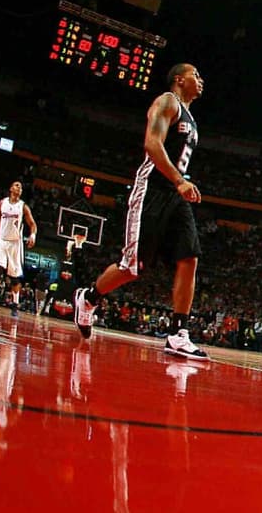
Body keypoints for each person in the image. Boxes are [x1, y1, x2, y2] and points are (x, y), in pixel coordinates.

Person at [72, 64, 208, 360]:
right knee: (132, 267)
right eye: (195, 75)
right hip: (152, 190)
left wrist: (180, 185)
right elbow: (151, 143)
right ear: (179, 79)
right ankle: (88, 298)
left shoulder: (191, 117)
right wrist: (179, 180)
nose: (201, 80)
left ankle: (178, 333)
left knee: (189, 258)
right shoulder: (168, 101)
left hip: (175, 194)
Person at [0, 180, 37, 315]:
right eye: (17, 185)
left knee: (14, 278)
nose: (19, 188)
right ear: (11, 188)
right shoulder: (2, 203)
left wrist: (32, 236)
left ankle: (15, 304)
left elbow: (32, 224)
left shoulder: (23, 207)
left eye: (21, 187)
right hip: (2, 241)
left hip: (15, 244)